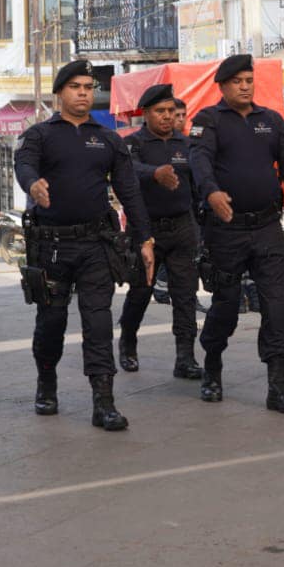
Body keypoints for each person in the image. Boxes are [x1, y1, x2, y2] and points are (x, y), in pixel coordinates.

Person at [15, 60, 155, 431]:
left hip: (96, 244)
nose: (83, 93)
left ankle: (104, 401)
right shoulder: (41, 135)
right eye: (75, 86)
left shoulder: (108, 138)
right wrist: (32, 185)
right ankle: (47, 383)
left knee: (98, 322)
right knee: (51, 322)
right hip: (51, 247)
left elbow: (129, 191)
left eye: (88, 87)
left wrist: (144, 237)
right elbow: (23, 164)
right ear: (60, 92)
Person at [189, 54, 284, 413]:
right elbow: (198, 160)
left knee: (276, 305)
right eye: (237, 81)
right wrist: (211, 191)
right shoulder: (209, 120)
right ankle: (212, 368)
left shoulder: (271, 121)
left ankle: (279, 385)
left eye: (249, 80)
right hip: (226, 230)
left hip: (266, 228)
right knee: (226, 306)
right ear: (223, 86)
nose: (245, 86)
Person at [118, 84, 203, 379]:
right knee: (141, 292)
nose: (167, 117)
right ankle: (128, 341)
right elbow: (126, 170)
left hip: (182, 228)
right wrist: (153, 173)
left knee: (185, 295)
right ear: (146, 113)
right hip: (146, 230)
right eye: (160, 111)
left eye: (171, 111)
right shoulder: (133, 143)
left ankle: (185, 357)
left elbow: (198, 185)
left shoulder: (186, 144)